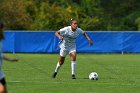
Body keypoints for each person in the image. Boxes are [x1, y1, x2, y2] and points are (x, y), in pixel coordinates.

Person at [0, 22, 18, 93]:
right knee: (2, 90)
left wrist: (11, 59)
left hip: (0, 72)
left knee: (5, 91)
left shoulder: (0, 41)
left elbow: (0, 55)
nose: (3, 31)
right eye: (2, 29)